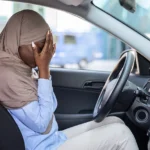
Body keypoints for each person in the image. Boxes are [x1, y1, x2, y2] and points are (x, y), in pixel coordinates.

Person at [0, 10, 139, 150]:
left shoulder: (20, 68)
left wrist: (43, 73)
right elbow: (42, 124)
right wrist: (44, 69)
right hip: (42, 147)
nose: (42, 55)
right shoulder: (8, 75)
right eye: (40, 48)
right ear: (18, 40)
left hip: (51, 139)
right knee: (121, 135)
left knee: (115, 121)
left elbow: (50, 106)